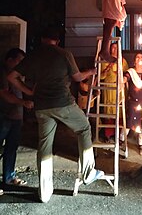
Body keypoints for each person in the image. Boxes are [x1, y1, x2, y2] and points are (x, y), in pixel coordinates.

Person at [7, 27, 105, 203]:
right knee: (84, 128)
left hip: (42, 107)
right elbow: (76, 77)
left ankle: (44, 192)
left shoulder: (33, 55)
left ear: (42, 38)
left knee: (44, 146)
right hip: (63, 103)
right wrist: (90, 72)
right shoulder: (64, 54)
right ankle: (88, 173)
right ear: (57, 41)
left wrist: (29, 92)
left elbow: (12, 77)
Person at [0, 48, 33, 189]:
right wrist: (23, 103)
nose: (21, 65)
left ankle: (9, 177)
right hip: (3, 115)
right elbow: (5, 94)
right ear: (9, 60)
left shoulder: (17, 76)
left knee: (11, 148)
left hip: (16, 117)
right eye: (19, 61)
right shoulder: (2, 73)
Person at [100, 42, 128, 142]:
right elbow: (101, 77)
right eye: (113, 48)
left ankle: (118, 135)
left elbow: (126, 74)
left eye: (117, 48)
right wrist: (107, 69)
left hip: (119, 88)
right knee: (109, 110)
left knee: (119, 110)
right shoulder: (105, 61)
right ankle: (108, 134)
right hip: (108, 87)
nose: (115, 50)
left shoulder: (123, 61)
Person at [122, 53, 142, 154]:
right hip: (133, 102)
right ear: (134, 61)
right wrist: (122, 80)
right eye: (137, 57)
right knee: (129, 122)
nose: (140, 59)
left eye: (141, 57)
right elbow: (125, 78)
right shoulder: (131, 72)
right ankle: (121, 140)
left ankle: (141, 144)